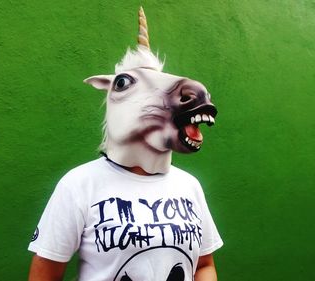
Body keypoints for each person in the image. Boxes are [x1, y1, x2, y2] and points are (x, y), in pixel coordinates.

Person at [28, 7, 223, 281]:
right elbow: (45, 273)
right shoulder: (79, 185)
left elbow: (203, 264)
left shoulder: (189, 186)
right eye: (123, 84)